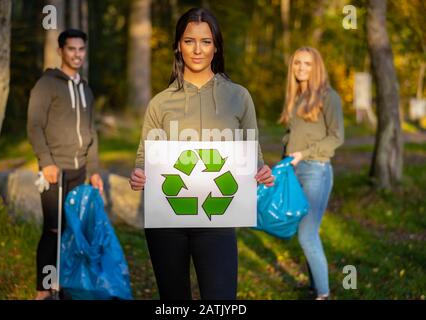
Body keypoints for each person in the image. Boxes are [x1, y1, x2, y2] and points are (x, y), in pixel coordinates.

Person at [130, 8, 274, 300]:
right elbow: (144, 159)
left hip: (217, 219)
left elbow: (252, 151)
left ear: (216, 46)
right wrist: (138, 175)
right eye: (189, 41)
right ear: (178, 45)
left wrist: (261, 170)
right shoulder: (160, 104)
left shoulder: (238, 97)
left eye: (206, 41)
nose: (197, 50)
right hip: (168, 220)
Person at [27, 29, 103, 300]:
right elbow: (34, 126)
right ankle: (43, 291)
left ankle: (63, 286)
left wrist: (93, 171)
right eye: (71, 49)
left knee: (72, 231)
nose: (77, 54)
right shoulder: (47, 85)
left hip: (79, 170)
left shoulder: (86, 89)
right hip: (54, 171)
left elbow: (91, 132)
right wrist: (46, 162)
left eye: (81, 49)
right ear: (61, 51)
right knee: (53, 229)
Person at [280, 47, 344, 300]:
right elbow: (291, 135)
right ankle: (315, 286)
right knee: (303, 232)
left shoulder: (329, 97)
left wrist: (304, 154)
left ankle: (324, 295)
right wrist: (284, 161)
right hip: (294, 170)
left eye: (307, 63)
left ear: (316, 66)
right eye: (297, 63)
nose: (301, 68)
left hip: (316, 171)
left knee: (307, 234)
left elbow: (336, 137)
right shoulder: (296, 96)